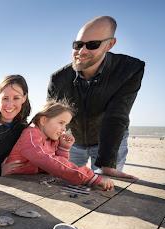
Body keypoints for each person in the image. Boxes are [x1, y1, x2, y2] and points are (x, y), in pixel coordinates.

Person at [47, 15, 145, 179]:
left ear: (110, 44)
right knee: (66, 183)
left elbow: (117, 114)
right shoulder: (58, 79)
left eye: (92, 45)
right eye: (78, 45)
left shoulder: (130, 69)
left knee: (104, 190)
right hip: (72, 141)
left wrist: (107, 164)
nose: (82, 51)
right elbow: (51, 118)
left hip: (110, 141)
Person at [4, 100, 114, 190]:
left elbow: (57, 162)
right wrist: (89, 177)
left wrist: (63, 148)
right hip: (11, 184)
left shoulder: (50, 138)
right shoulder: (30, 135)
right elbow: (49, 161)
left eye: (66, 125)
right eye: (61, 123)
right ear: (43, 120)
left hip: (29, 182)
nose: (64, 129)